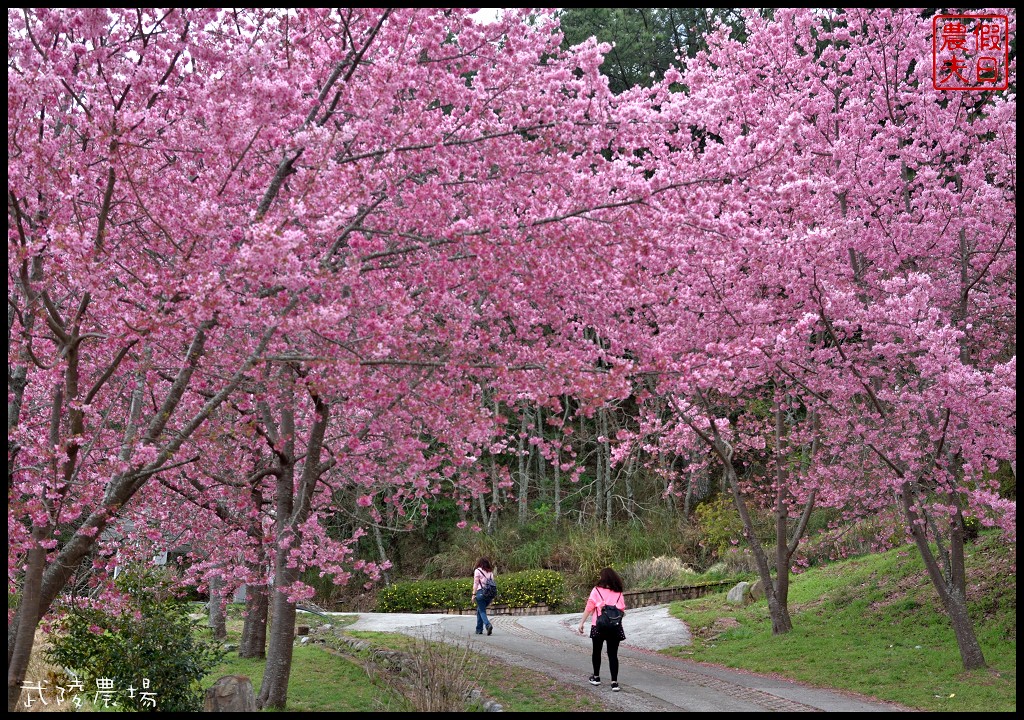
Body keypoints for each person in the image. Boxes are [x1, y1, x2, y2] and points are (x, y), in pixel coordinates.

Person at [577, 567, 626, 692]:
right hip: (615, 627)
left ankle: (596, 677)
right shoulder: (619, 592)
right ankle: (614, 682)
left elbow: (589, 607)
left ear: (603, 577)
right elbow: (621, 609)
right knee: (613, 654)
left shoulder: (596, 590)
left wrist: (582, 622)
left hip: (598, 625)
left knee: (596, 651)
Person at [472, 557, 496, 635]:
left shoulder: (477, 571)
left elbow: (476, 583)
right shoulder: (490, 573)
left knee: (482, 611)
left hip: (480, 593)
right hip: (489, 595)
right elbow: (492, 583)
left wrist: (473, 594)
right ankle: (479, 629)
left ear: (479, 563)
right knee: (480, 609)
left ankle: (488, 625)